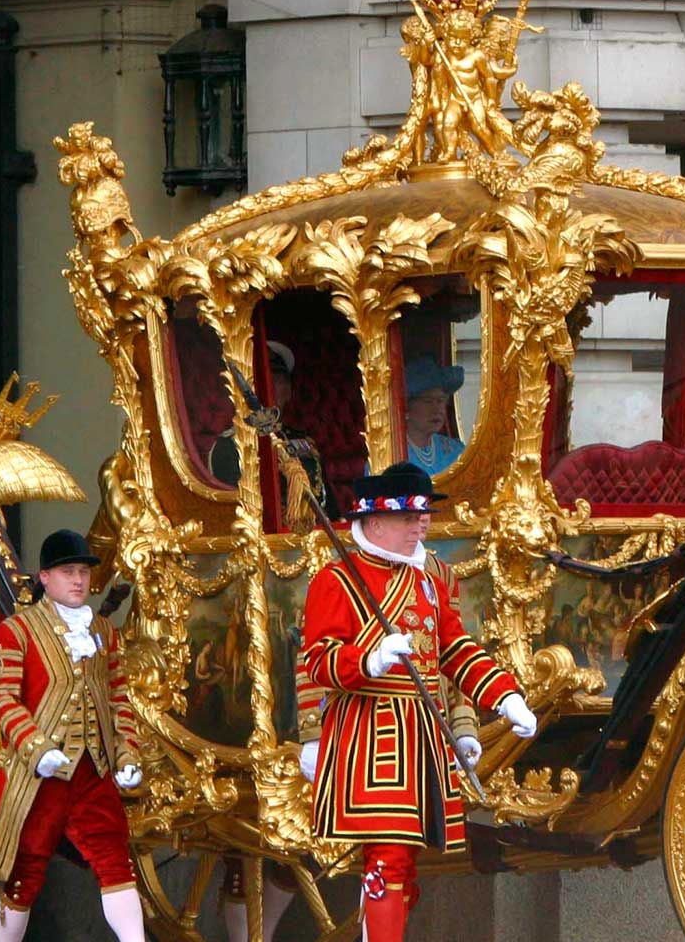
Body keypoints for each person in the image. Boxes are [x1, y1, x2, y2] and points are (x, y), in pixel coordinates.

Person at [296, 462, 538, 941]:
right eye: (409, 516)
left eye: (423, 515)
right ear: (375, 521)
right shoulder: (337, 579)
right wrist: (370, 659)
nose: (420, 525)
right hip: (371, 734)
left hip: (423, 735)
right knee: (388, 857)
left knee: (407, 867)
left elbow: (455, 648)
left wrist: (505, 695)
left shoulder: (431, 577)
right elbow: (318, 663)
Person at [0, 529, 146, 942]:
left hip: (93, 771)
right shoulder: (16, 631)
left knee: (115, 861)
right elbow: (1, 697)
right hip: (42, 777)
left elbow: (119, 697)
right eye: (68, 572)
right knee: (24, 872)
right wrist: (35, 747)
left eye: (83, 572)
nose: (79, 580)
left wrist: (127, 753)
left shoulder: (104, 632)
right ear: (44, 577)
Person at [211, 340, 336, 519]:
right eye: (261, 382)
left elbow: (328, 506)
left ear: (288, 391)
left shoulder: (305, 442)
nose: (269, 389)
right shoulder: (229, 446)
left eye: (276, 381)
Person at [402, 355, 465, 475]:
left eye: (441, 400)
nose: (437, 409)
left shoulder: (456, 451)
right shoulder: (392, 452)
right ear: (407, 406)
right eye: (428, 401)